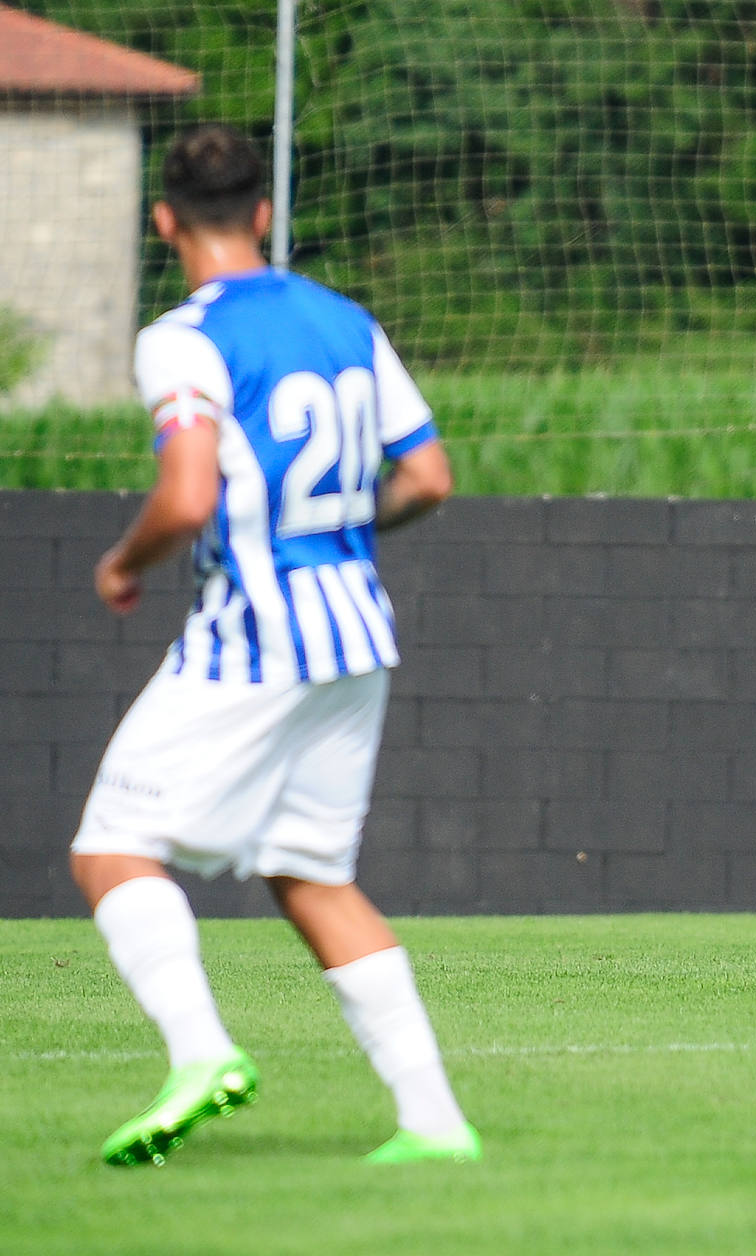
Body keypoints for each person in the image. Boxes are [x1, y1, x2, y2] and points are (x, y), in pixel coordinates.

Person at [70, 123, 482, 1166]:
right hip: (356, 630)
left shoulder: (182, 336)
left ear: (164, 221)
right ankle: (434, 1124)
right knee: (310, 874)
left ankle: (201, 1051)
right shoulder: (342, 319)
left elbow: (189, 491)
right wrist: (336, 527)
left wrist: (124, 563)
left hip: (257, 628)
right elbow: (428, 475)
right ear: (262, 212)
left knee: (112, 844)